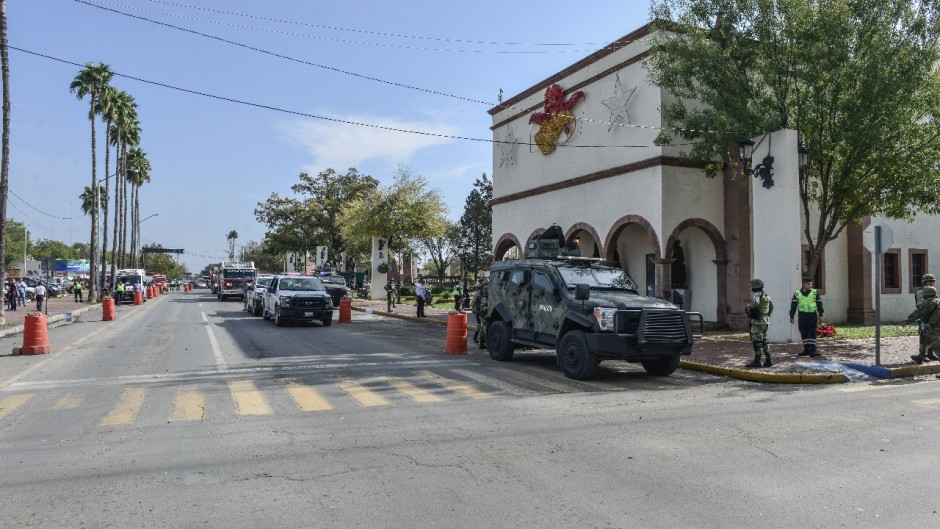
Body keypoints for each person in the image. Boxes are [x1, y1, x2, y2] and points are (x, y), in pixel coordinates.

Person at [902, 286, 940, 364]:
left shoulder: (928, 303)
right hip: (933, 329)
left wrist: (907, 321)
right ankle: (920, 357)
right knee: (926, 342)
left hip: (935, 329)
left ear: (927, 294)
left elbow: (918, 313)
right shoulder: (938, 301)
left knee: (937, 348)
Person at [789, 277, 824, 357]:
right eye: (808, 284)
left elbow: (819, 304)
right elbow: (793, 306)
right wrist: (792, 316)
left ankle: (813, 351)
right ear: (803, 284)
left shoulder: (815, 293)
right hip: (802, 315)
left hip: (812, 315)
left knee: (812, 332)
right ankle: (806, 350)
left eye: (811, 284)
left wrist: (821, 314)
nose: (810, 286)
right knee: (803, 332)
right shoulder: (797, 293)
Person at [745, 278, 774, 367]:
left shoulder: (756, 295)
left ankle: (757, 361)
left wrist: (748, 308)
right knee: (764, 340)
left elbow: (755, 302)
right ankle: (769, 359)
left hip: (757, 321)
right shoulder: (766, 295)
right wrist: (766, 315)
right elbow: (771, 307)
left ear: (754, 286)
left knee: (757, 342)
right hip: (765, 321)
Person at [914, 274, 939, 361]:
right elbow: (920, 305)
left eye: (933, 281)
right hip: (924, 318)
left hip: (933, 319)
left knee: (931, 336)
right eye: (929, 281)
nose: (932, 283)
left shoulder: (933, 291)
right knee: (924, 336)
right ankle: (922, 355)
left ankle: (930, 354)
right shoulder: (920, 292)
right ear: (924, 282)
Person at [471, 279, 489, 348]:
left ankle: (478, 338)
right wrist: (473, 309)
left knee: (481, 325)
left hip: (482, 311)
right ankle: (476, 338)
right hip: (479, 311)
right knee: (481, 325)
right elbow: (474, 301)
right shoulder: (479, 293)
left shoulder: (484, 294)